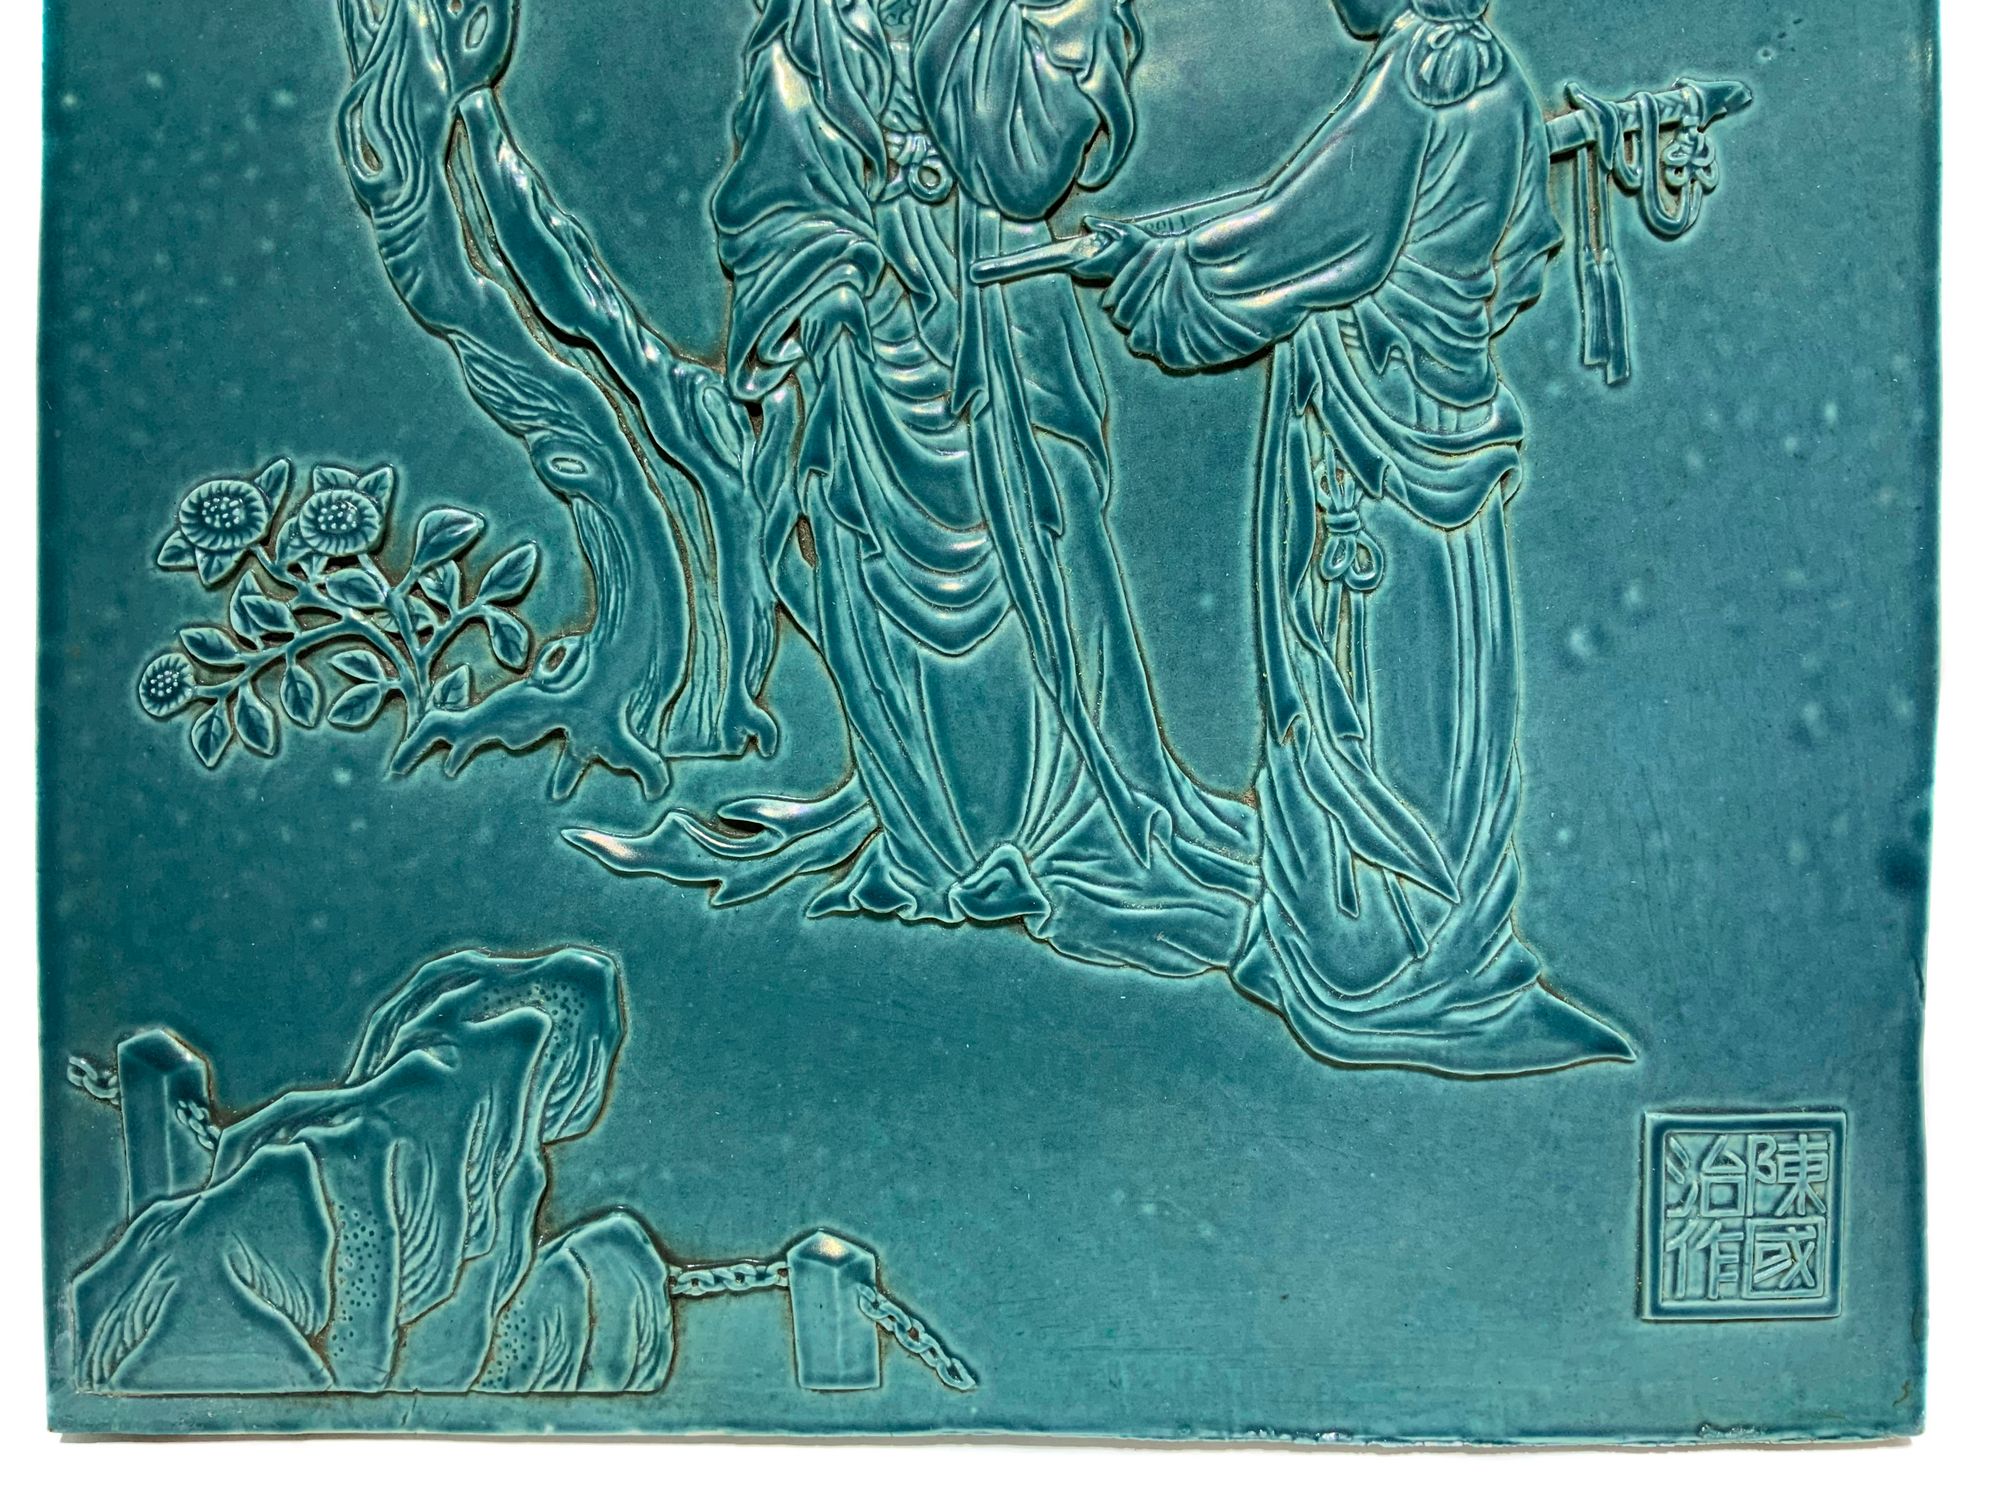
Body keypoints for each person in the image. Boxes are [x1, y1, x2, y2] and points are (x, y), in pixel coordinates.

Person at [575, 0, 1258, 979]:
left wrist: (1042, 46)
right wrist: (835, 283)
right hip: (866, 345)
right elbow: (772, 199)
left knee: (1046, 546)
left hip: (998, 321)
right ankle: (945, 834)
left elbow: (1040, 160)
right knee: (879, 568)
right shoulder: (808, 40)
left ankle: (1077, 818)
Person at [1077, 0, 1635, 1074]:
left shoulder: (1417, 77)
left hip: (1368, 436)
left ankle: (1372, 960)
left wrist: (1164, 268)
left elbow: (1306, 236)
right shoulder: (1497, 76)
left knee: (1359, 677)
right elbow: (1510, 253)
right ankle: (1450, 931)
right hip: (1450, 410)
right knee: (1449, 681)